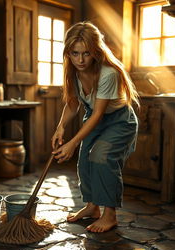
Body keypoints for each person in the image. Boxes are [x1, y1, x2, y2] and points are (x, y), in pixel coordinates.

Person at [51, 21, 139, 233]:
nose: (80, 60)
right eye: (75, 53)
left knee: (100, 157)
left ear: (96, 52)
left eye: (86, 53)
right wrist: (60, 126)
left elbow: (99, 114)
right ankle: (92, 207)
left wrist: (72, 142)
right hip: (94, 117)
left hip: (119, 120)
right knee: (84, 160)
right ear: (68, 53)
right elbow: (73, 103)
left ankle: (110, 215)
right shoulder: (72, 71)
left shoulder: (108, 73)